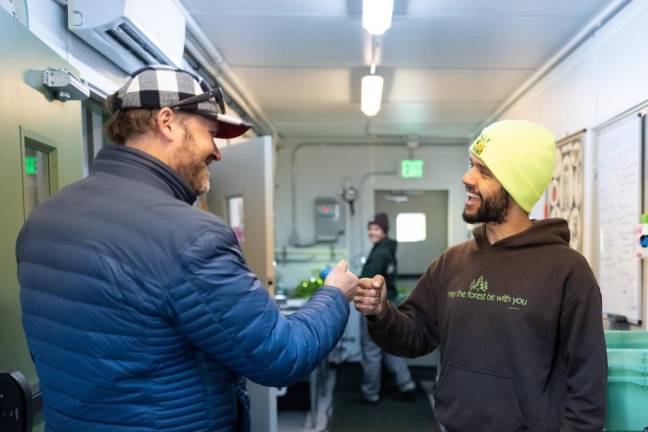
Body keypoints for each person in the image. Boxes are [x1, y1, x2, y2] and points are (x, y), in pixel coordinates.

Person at [16, 65, 358, 431]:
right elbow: (281, 356)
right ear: (166, 122)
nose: (217, 152)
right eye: (211, 133)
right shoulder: (191, 236)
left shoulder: (41, 223)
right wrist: (334, 295)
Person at [354, 120, 607, 431]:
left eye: (483, 171)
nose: (466, 178)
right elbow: (416, 336)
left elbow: (587, 385)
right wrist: (381, 312)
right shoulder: (453, 262)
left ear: (516, 186)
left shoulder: (568, 271)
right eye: (470, 165)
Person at [359, 213, 416, 404]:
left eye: (376, 229)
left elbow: (367, 279)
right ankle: (406, 383)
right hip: (390, 304)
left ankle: (370, 393)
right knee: (389, 346)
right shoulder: (388, 249)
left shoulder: (379, 253)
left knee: (371, 350)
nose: (371, 232)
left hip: (374, 306)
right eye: (370, 228)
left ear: (384, 231)